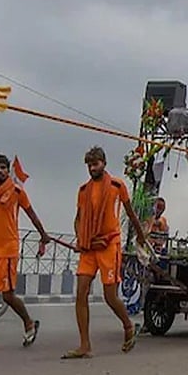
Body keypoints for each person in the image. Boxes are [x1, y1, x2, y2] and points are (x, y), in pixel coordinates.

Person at [64, 146, 146, 359]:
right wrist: (80, 239)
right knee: (81, 292)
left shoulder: (118, 186)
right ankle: (84, 345)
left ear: (104, 163)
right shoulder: (83, 191)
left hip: (109, 245)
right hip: (89, 248)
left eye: (96, 164)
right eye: (90, 165)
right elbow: (78, 219)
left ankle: (128, 326)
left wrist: (140, 236)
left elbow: (130, 213)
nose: (93, 168)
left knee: (110, 296)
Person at [0, 154, 51, 351]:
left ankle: (28, 322)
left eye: (3, 168)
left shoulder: (17, 192)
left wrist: (43, 235)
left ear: (8, 171)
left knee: (7, 296)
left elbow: (31, 214)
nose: (0, 171)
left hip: (7, 251)